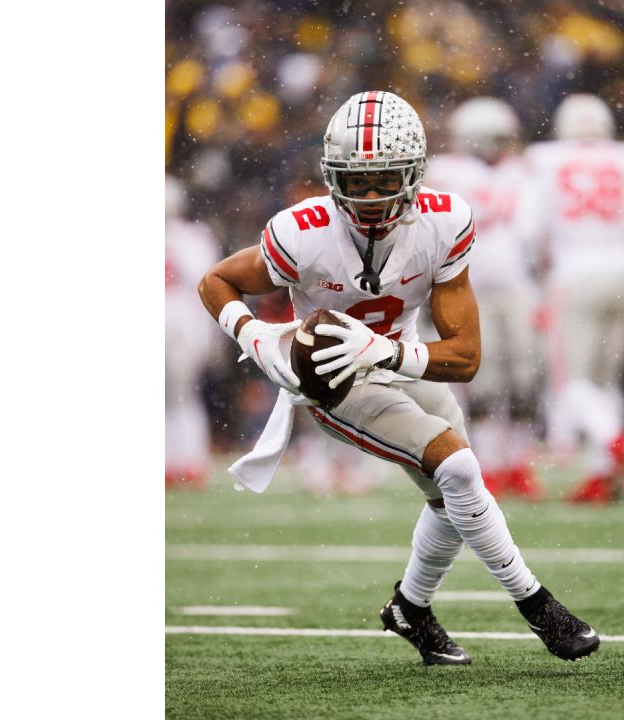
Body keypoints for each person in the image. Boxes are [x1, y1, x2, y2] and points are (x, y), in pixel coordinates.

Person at [199, 91, 599, 664]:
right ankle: (538, 606)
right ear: (330, 176)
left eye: (383, 178)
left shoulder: (443, 221)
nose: (368, 196)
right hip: (335, 380)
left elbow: (465, 356)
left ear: (412, 172)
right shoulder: (302, 230)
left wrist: (385, 351)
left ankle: (410, 609)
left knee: (454, 495)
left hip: (396, 358)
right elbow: (216, 281)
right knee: (458, 467)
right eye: (354, 180)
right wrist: (253, 334)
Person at [521, 93, 624, 503]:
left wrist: (537, 275)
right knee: (605, 381)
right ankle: (603, 475)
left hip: (574, 275)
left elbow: (527, 228)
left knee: (571, 383)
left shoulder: (545, 160)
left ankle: (618, 446)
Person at [425, 97, 544, 500]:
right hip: (472, 291)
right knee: (484, 384)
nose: (505, 145)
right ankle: (490, 464)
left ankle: (518, 463)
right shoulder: (448, 172)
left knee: (525, 381)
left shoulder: (520, 172)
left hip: (514, 289)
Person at [165, 175, 220, 489]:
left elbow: (204, 285)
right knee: (181, 397)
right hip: (183, 325)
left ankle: (186, 458)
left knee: (179, 396)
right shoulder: (193, 237)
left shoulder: (190, 238)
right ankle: (182, 458)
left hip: (179, 326)